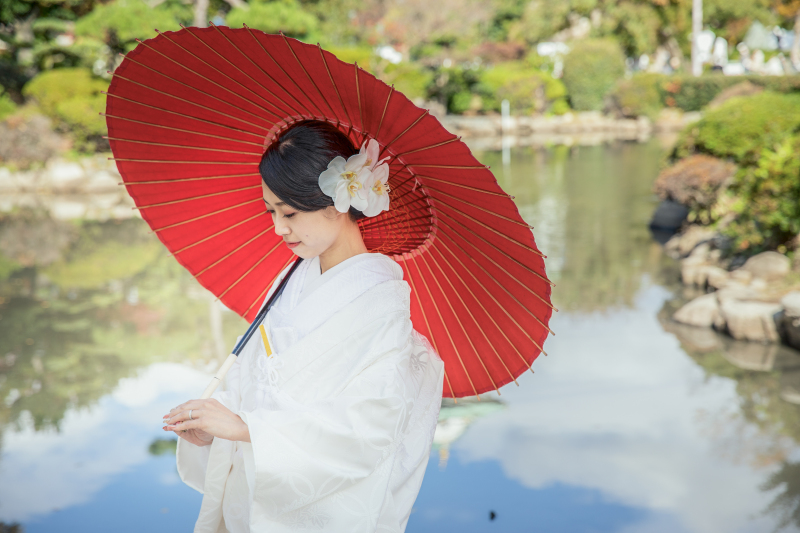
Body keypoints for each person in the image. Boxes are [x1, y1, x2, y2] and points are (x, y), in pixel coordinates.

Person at [161, 120, 445, 533]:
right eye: (271, 212)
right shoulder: (290, 279)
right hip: (251, 487)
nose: (279, 228)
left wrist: (245, 428)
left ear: (338, 203)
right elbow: (253, 373)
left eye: (290, 213)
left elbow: (367, 430)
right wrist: (211, 422)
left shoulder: (382, 310)